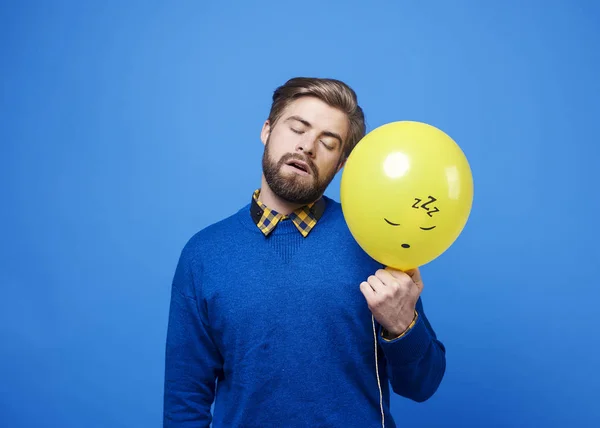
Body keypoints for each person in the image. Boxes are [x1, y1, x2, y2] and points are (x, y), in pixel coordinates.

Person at [163, 77, 446, 428]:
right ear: (267, 130)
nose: (307, 147)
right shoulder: (203, 255)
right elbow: (184, 402)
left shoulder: (375, 240)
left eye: (328, 143)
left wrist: (403, 325)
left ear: (342, 164)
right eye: (298, 128)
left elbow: (423, 385)